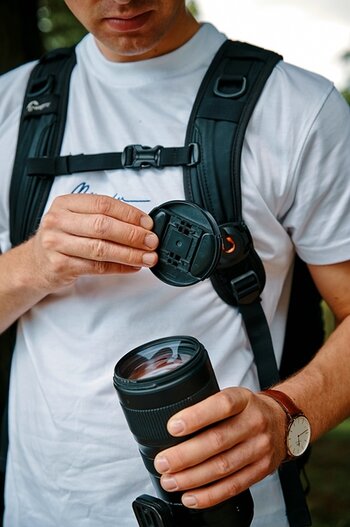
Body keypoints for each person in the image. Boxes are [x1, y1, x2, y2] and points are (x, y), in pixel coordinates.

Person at [0, 1, 349, 526]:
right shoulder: (10, 103)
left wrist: (286, 417)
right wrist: (34, 265)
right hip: (38, 509)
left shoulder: (296, 106)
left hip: (238, 511)